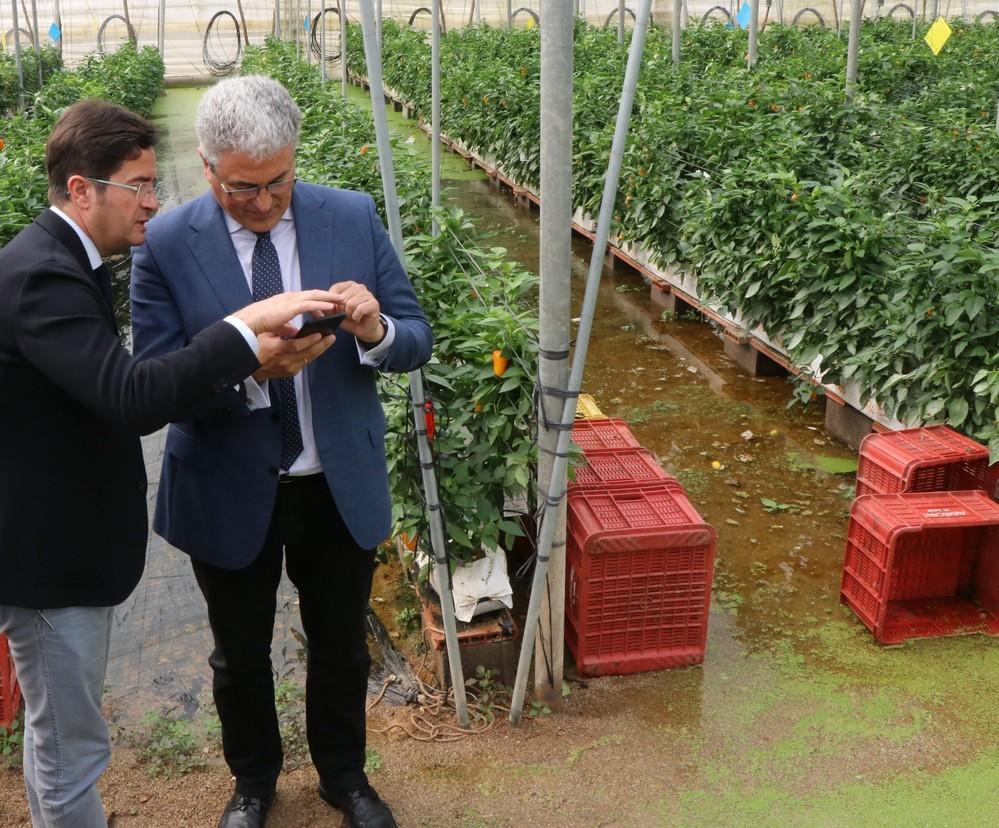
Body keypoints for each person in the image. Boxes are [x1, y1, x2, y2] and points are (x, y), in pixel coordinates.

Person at [0, 99, 338, 828]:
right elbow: (130, 395)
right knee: (69, 744)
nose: (154, 201)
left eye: (155, 184)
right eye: (138, 185)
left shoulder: (71, 264)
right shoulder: (43, 275)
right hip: (45, 560)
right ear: (82, 190)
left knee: (61, 737)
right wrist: (246, 331)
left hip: (56, 545)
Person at [130, 75, 432, 828]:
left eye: (278, 183)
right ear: (205, 169)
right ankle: (254, 783)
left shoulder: (350, 216)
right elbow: (155, 382)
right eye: (241, 189)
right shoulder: (167, 242)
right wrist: (243, 369)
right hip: (229, 483)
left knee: (340, 644)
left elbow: (414, 336)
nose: (264, 204)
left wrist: (372, 331)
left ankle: (344, 778)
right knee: (239, 653)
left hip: (333, 479)